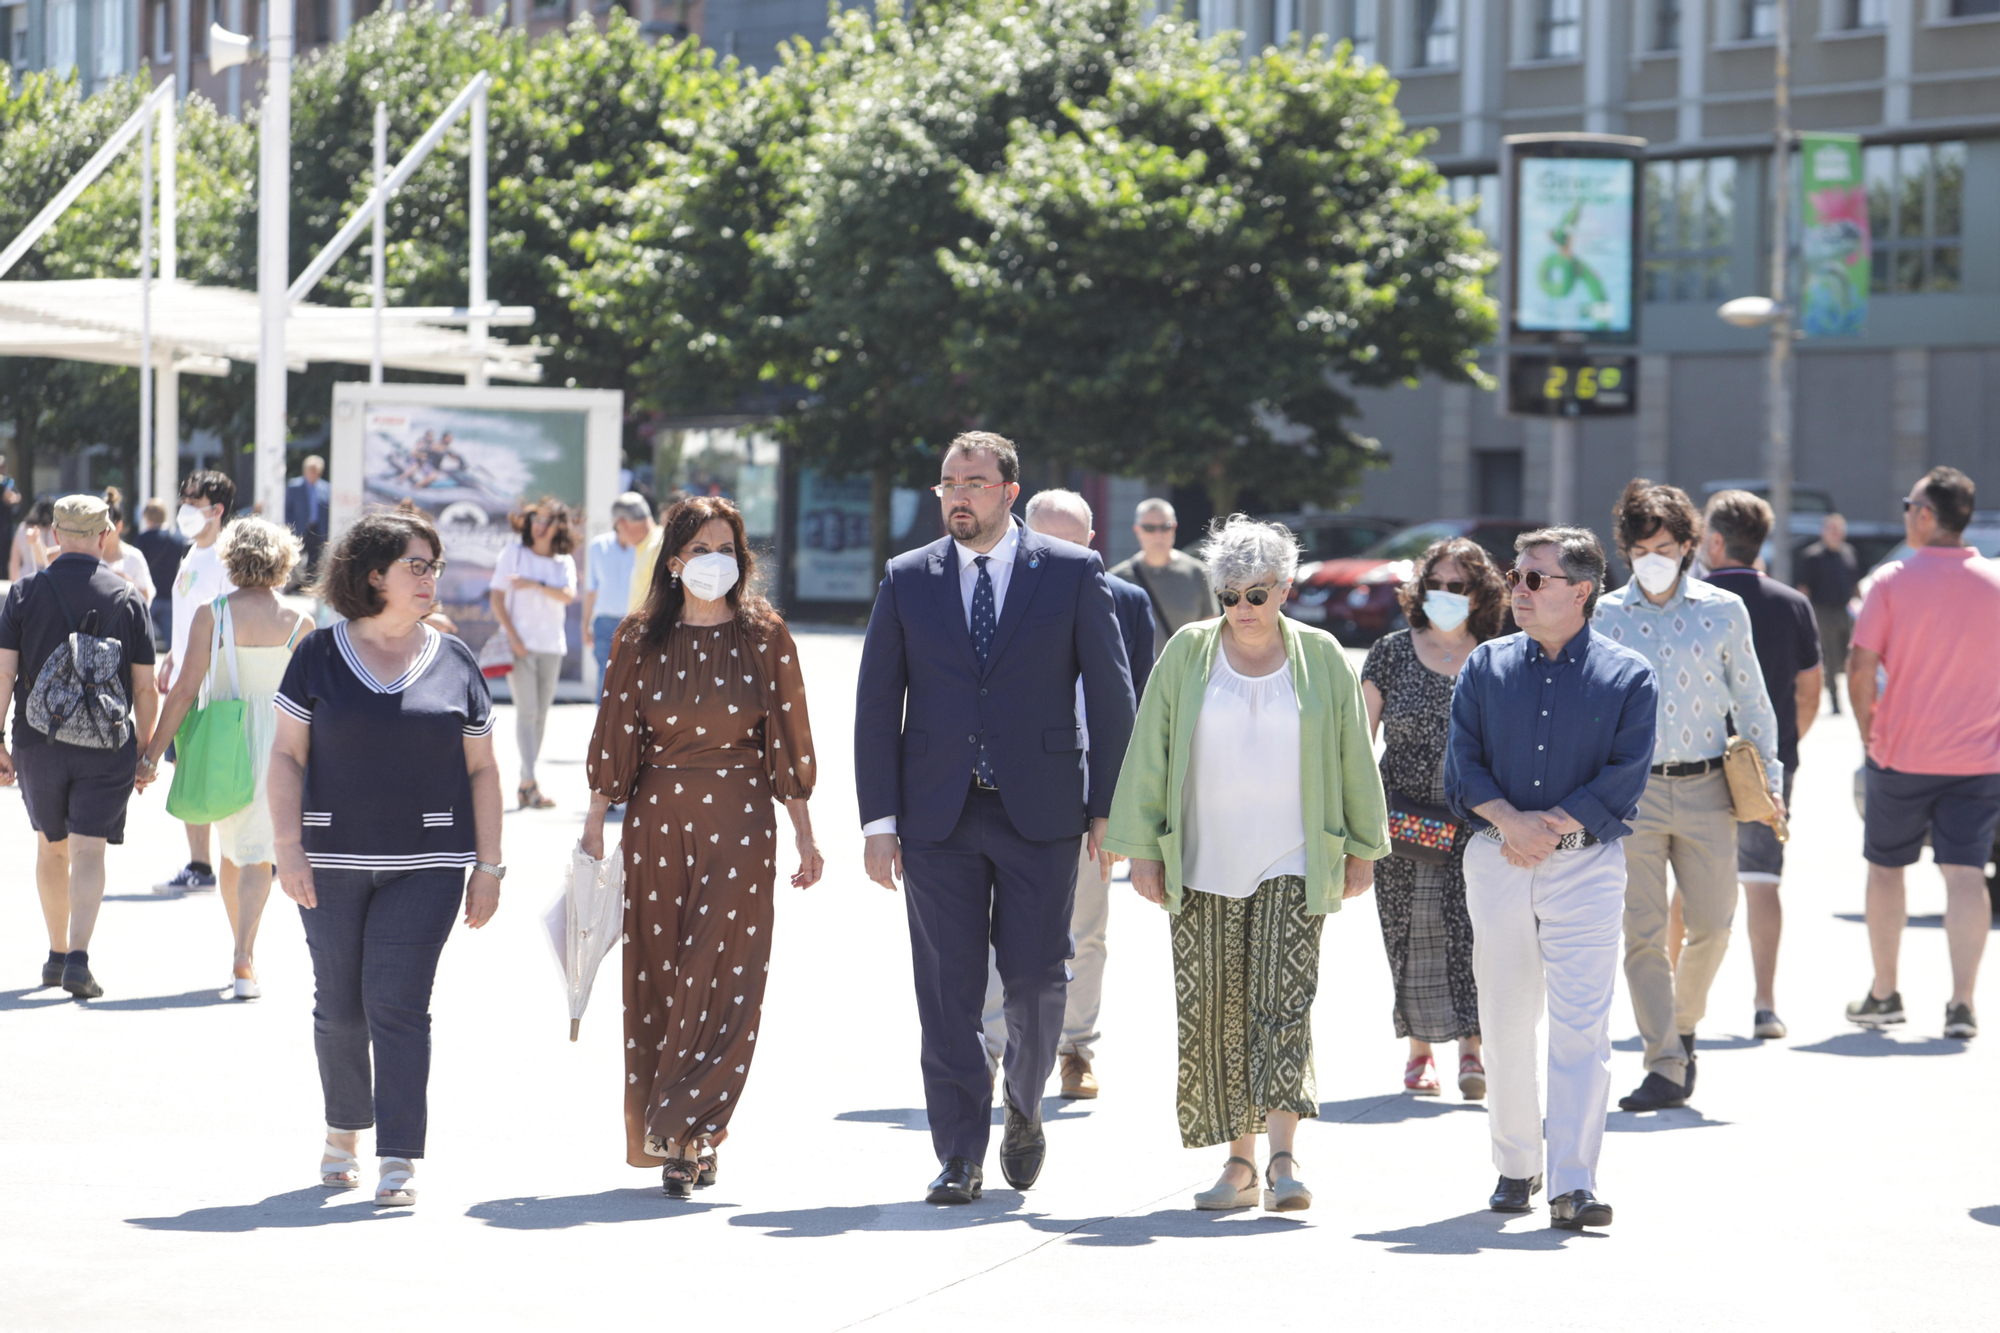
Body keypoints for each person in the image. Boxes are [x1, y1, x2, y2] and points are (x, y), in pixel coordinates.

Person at [855, 431, 1135, 1205]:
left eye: (974, 481)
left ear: (1009, 491)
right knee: (945, 990)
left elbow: (1112, 698)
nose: (958, 494)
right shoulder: (908, 579)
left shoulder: (1072, 573)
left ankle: (1024, 1097)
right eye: (948, 482)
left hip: (1041, 813)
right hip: (936, 816)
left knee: (1039, 978)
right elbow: (878, 703)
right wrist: (879, 820)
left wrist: (1109, 809)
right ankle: (958, 1154)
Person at [1105, 515, 1385, 1212]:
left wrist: (1362, 846)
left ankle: (1285, 1157)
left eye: (1256, 594)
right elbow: (1150, 751)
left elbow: (1354, 752)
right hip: (1201, 860)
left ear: (1284, 588)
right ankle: (1239, 1164)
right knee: (1213, 1012)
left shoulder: (1320, 656)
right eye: (1229, 594)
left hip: (1296, 854)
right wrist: (1141, 847)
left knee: (1283, 1005)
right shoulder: (1187, 652)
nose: (1241, 609)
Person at [583, 496, 823, 1198]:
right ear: (675, 557)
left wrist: (807, 834)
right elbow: (615, 732)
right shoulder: (637, 638)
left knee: (722, 970)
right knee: (661, 970)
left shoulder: (765, 636)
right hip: (657, 816)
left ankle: (693, 1130)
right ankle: (674, 1131)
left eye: (727, 546)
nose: (713, 559)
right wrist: (596, 817)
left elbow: (790, 741)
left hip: (744, 820)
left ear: (740, 558)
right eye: (700, 545)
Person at [270, 508, 503, 1207]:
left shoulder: (456, 659)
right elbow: (285, 754)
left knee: (397, 1003)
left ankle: (398, 1153)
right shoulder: (317, 652)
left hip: (428, 863)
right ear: (375, 575)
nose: (432, 577)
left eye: (433, 564)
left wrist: (489, 865)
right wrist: (287, 848)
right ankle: (344, 1130)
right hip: (330, 858)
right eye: (418, 565)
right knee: (340, 1005)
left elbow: (485, 770)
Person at [1446, 527, 1656, 1230]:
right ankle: (1515, 1165)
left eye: (1536, 579)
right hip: (1499, 859)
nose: (1519, 591)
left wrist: (1553, 827)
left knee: (1581, 1028)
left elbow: (1624, 778)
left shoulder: (1630, 675)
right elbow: (1463, 768)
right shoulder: (1484, 666)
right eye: (1516, 576)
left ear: (1582, 591)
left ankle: (1573, 1179)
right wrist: (1513, 822)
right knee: (1506, 1020)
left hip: (1586, 866)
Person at [1594, 479, 1783, 1113]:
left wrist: (1772, 785)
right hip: (1632, 794)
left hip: (1709, 789)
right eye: (1643, 546)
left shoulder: (1724, 609)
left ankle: (1682, 1025)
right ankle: (1665, 1064)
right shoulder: (1603, 615)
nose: (1655, 557)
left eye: (1667, 545)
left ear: (1689, 546)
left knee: (1712, 926)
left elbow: (1753, 701)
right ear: (1625, 548)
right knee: (1643, 935)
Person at [977, 488, 1153, 1102]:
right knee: (1000, 932)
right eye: (1043, 542)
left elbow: (1134, 712)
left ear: (1091, 547)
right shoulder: (1000, 591)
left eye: (1068, 545)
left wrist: (1122, 808)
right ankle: (993, 1050)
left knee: (1087, 929)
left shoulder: (1127, 603)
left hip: (1091, 794)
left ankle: (1076, 1048)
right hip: (1016, 793)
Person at [1846, 467, 2000, 1040]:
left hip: (1901, 755)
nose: (1907, 512)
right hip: (1980, 760)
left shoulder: (1890, 582)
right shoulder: (1996, 583)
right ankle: (1962, 1004)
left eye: (1910, 504)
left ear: (1928, 515)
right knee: (1965, 873)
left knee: (1887, 870)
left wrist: (1867, 730)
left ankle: (1884, 994)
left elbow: (1860, 669)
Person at [141, 518, 313, 1000]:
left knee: (235, 848)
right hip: (281, 745)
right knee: (257, 852)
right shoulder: (301, 624)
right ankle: (245, 957)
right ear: (284, 562)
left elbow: (183, 692)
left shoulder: (211, 614)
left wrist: (153, 755)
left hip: (225, 741)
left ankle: (240, 951)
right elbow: (315, 703)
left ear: (231, 560)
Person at [1361, 537, 1507, 1100]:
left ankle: (1473, 1048)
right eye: (1436, 585)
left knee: (1476, 938)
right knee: (1410, 934)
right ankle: (1420, 1050)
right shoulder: (1392, 653)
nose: (1445, 595)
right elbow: (1357, 739)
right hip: (1403, 820)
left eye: (1458, 586)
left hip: (1479, 822)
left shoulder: (1498, 653)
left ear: (1479, 594)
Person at [0, 495, 160, 998]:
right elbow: (145, 687)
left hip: (37, 740)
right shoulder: (129, 596)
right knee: (89, 849)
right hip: (105, 744)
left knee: (51, 848)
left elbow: (4, 672)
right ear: (104, 535)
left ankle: (53, 954)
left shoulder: (25, 592)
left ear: (53, 533)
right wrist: (146, 751)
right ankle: (79, 959)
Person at [1697, 491, 1821, 1040]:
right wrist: (1781, 749)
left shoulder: (1692, 600)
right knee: (1763, 880)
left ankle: (1683, 1007)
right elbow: (1811, 691)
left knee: (1685, 882)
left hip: (1692, 760)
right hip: (1765, 764)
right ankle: (1765, 1004)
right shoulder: (1792, 603)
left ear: (1716, 541)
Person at [154, 471, 238, 896]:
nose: (185, 506)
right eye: (184, 498)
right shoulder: (191, 554)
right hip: (184, 679)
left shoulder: (227, 560)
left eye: (193, 499)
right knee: (187, 771)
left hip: (210, 688)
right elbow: (189, 616)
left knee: (212, 774)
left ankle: (240, 858)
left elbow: (231, 625)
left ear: (216, 508)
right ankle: (200, 865)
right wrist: (172, 655)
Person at [488, 496, 578, 810]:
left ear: (558, 526)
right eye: (535, 520)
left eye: (546, 521)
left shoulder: (562, 561)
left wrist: (535, 584)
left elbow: (568, 595)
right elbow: (497, 598)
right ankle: (529, 781)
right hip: (519, 645)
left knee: (540, 715)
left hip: (552, 645)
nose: (539, 527)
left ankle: (527, 783)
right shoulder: (513, 553)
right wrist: (513, 638)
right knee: (527, 712)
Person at [1109, 498, 1218, 657]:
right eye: (1149, 528)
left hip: (1185, 676)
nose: (1158, 535)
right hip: (1137, 679)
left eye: (1165, 527)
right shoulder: (1116, 578)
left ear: (1174, 527)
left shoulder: (1197, 572)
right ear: (1137, 530)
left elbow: (1211, 631)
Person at [583, 492, 654, 699]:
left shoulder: (645, 545)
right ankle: (603, 729)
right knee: (606, 683)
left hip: (637, 622)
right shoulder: (598, 546)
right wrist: (585, 624)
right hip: (605, 623)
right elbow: (591, 589)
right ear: (620, 523)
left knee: (635, 683)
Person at [1795, 513, 1860, 715]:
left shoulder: (1848, 552)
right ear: (1824, 532)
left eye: (1839, 530)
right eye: (1832, 529)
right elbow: (1803, 588)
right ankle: (1834, 700)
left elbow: (1854, 582)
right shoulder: (1813, 556)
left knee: (1848, 656)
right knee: (1830, 657)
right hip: (1823, 611)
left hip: (1845, 610)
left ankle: (1849, 693)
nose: (1836, 534)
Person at [130, 497, 186, 650]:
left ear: (146, 517)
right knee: (174, 644)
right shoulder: (178, 538)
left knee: (141, 642)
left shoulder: (143, 539)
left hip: (147, 596)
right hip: (170, 595)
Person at [99, 488, 156, 609]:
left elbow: (147, 599)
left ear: (119, 526)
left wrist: (125, 581)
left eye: (106, 527)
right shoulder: (91, 555)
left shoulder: (133, 557)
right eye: (98, 526)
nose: (102, 532)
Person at [283, 454, 332, 578]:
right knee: (294, 557)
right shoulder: (295, 486)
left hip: (317, 529)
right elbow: (286, 508)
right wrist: (289, 526)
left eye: (317, 470)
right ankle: (293, 584)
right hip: (299, 528)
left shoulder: (326, 488)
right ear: (305, 470)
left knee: (315, 559)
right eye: (311, 469)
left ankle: (308, 585)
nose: (314, 473)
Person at [10, 497, 55, 581]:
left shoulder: (23, 528)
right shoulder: (54, 529)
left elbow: (14, 561)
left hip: (25, 578)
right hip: (49, 580)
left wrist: (15, 583)